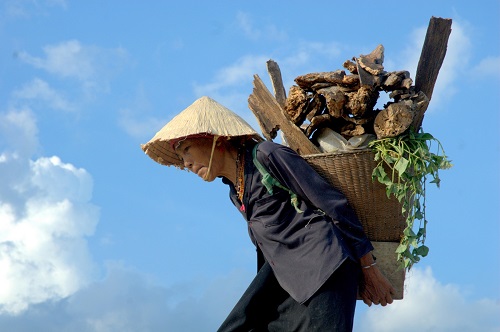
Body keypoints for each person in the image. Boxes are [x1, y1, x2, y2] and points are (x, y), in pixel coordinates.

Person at [141, 96, 395, 331]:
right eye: (180, 156)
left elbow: (333, 205)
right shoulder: (235, 191)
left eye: (186, 149)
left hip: (325, 271)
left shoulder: (267, 156)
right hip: (290, 282)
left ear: (213, 139)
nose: (185, 163)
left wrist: (368, 267)